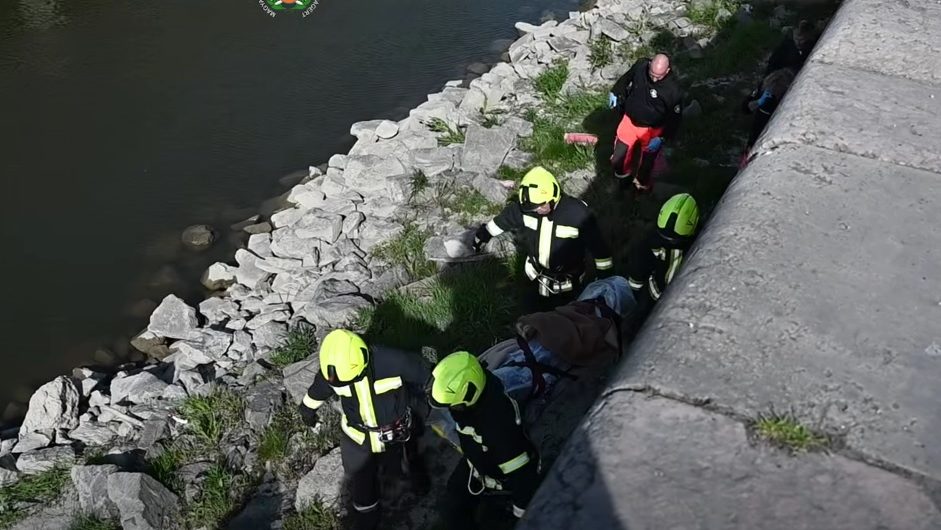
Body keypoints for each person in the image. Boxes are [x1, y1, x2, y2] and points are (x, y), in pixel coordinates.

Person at [298, 329, 431, 530]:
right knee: (360, 482)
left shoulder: (392, 360)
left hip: (399, 430)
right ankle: (367, 519)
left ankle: (418, 480)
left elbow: (426, 374)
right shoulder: (334, 372)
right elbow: (316, 393)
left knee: (411, 457)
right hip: (358, 437)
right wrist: (306, 412)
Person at [473, 166, 613, 311]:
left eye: (539, 206)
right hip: (534, 281)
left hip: (569, 289)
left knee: (563, 326)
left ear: (552, 197)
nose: (536, 210)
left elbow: (600, 249)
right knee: (529, 322)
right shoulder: (527, 209)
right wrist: (484, 234)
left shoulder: (578, 214)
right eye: (532, 207)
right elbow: (505, 219)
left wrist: (606, 279)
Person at [428, 351, 541, 530]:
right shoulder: (483, 391)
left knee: (456, 512)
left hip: (500, 477)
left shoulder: (498, 431)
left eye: (453, 404)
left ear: (469, 395)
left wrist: (519, 516)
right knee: (452, 501)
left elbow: (523, 477)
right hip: (478, 461)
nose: (451, 409)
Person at [608, 53, 684, 192]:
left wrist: (662, 137)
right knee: (618, 159)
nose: (654, 79)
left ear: (667, 71)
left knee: (647, 165)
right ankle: (622, 181)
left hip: (652, 130)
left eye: (658, 76)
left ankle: (641, 187)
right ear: (649, 64)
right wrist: (615, 91)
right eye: (652, 74)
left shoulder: (673, 90)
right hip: (630, 122)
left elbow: (675, 118)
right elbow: (626, 78)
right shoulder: (641, 66)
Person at [628, 193, 699, 317]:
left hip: (643, 298)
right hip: (650, 302)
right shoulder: (681, 251)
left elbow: (637, 272)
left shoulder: (647, 240)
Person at [742, 67, 796, 151]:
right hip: (756, 134)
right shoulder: (763, 89)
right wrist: (758, 102)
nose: (772, 94)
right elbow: (745, 108)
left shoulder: (786, 98)